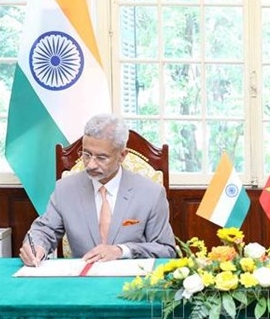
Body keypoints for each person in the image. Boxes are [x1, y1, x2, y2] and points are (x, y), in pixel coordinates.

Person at [20, 114, 176, 267]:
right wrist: (36, 246)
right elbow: (45, 230)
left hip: (132, 284)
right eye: (86, 154)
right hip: (82, 282)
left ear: (122, 155)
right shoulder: (65, 189)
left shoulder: (151, 193)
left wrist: (122, 251)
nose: (91, 165)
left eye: (101, 158)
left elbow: (165, 249)